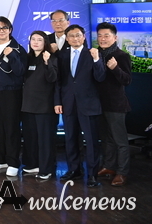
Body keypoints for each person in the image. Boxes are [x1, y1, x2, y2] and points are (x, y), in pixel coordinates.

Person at [55, 24, 106, 188]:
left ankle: (92, 174)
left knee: (91, 141)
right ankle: (74, 170)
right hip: (68, 103)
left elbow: (100, 77)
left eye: (78, 35)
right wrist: (58, 101)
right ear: (67, 39)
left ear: (83, 37)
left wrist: (97, 60)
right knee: (70, 139)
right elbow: (58, 81)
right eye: (71, 36)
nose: (75, 38)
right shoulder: (62, 55)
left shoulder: (92, 54)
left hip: (88, 104)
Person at [0, 16, 27, 177]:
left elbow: (21, 71)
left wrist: (12, 56)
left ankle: (13, 162)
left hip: (12, 93)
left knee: (11, 128)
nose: (1, 31)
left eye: (4, 28)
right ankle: (1, 159)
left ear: (10, 30)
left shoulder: (18, 49)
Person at [95, 22, 132, 187]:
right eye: (100, 36)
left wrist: (116, 68)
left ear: (115, 37)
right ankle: (108, 166)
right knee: (106, 139)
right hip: (99, 104)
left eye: (106, 35)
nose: (102, 39)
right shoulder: (96, 54)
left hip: (116, 105)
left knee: (120, 141)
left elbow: (127, 80)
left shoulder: (121, 56)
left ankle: (122, 172)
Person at [21, 31, 58, 180]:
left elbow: (53, 78)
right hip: (28, 105)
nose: (35, 42)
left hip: (45, 106)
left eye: (39, 40)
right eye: (33, 39)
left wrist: (48, 62)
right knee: (30, 137)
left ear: (45, 42)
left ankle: (46, 168)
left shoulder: (51, 57)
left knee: (45, 139)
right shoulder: (27, 58)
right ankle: (33, 164)